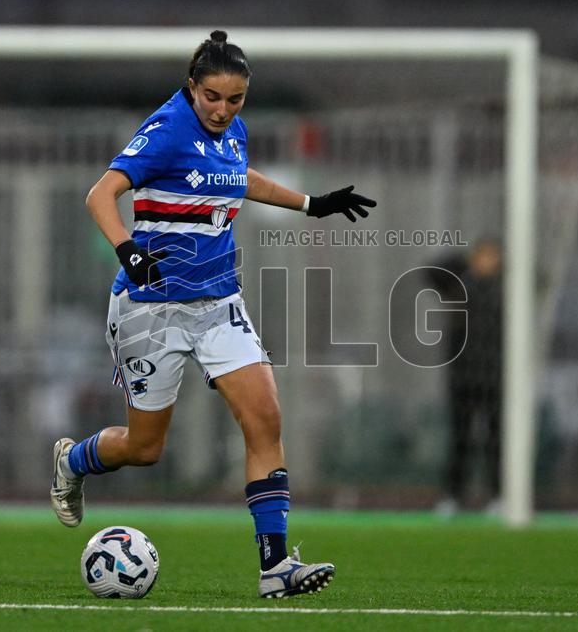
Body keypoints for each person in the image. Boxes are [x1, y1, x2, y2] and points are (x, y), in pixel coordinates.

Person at [49, 30, 377, 599]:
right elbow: (100, 195)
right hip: (151, 307)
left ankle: (275, 567)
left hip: (219, 302)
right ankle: (74, 460)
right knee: (145, 449)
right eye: (213, 98)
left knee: (265, 419)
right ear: (191, 88)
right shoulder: (167, 129)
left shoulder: (231, 132)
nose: (223, 110)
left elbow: (236, 180)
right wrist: (128, 250)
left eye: (236, 100)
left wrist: (311, 203)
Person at [429, 237, 503, 512]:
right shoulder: (460, 284)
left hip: (496, 379)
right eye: (481, 256)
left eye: (492, 256)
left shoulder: (505, 289)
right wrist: (464, 263)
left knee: (496, 441)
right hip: (463, 378)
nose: (486, 262)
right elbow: (432, 272)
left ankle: (499, 496)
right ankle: (452, 496)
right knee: (461, 439)